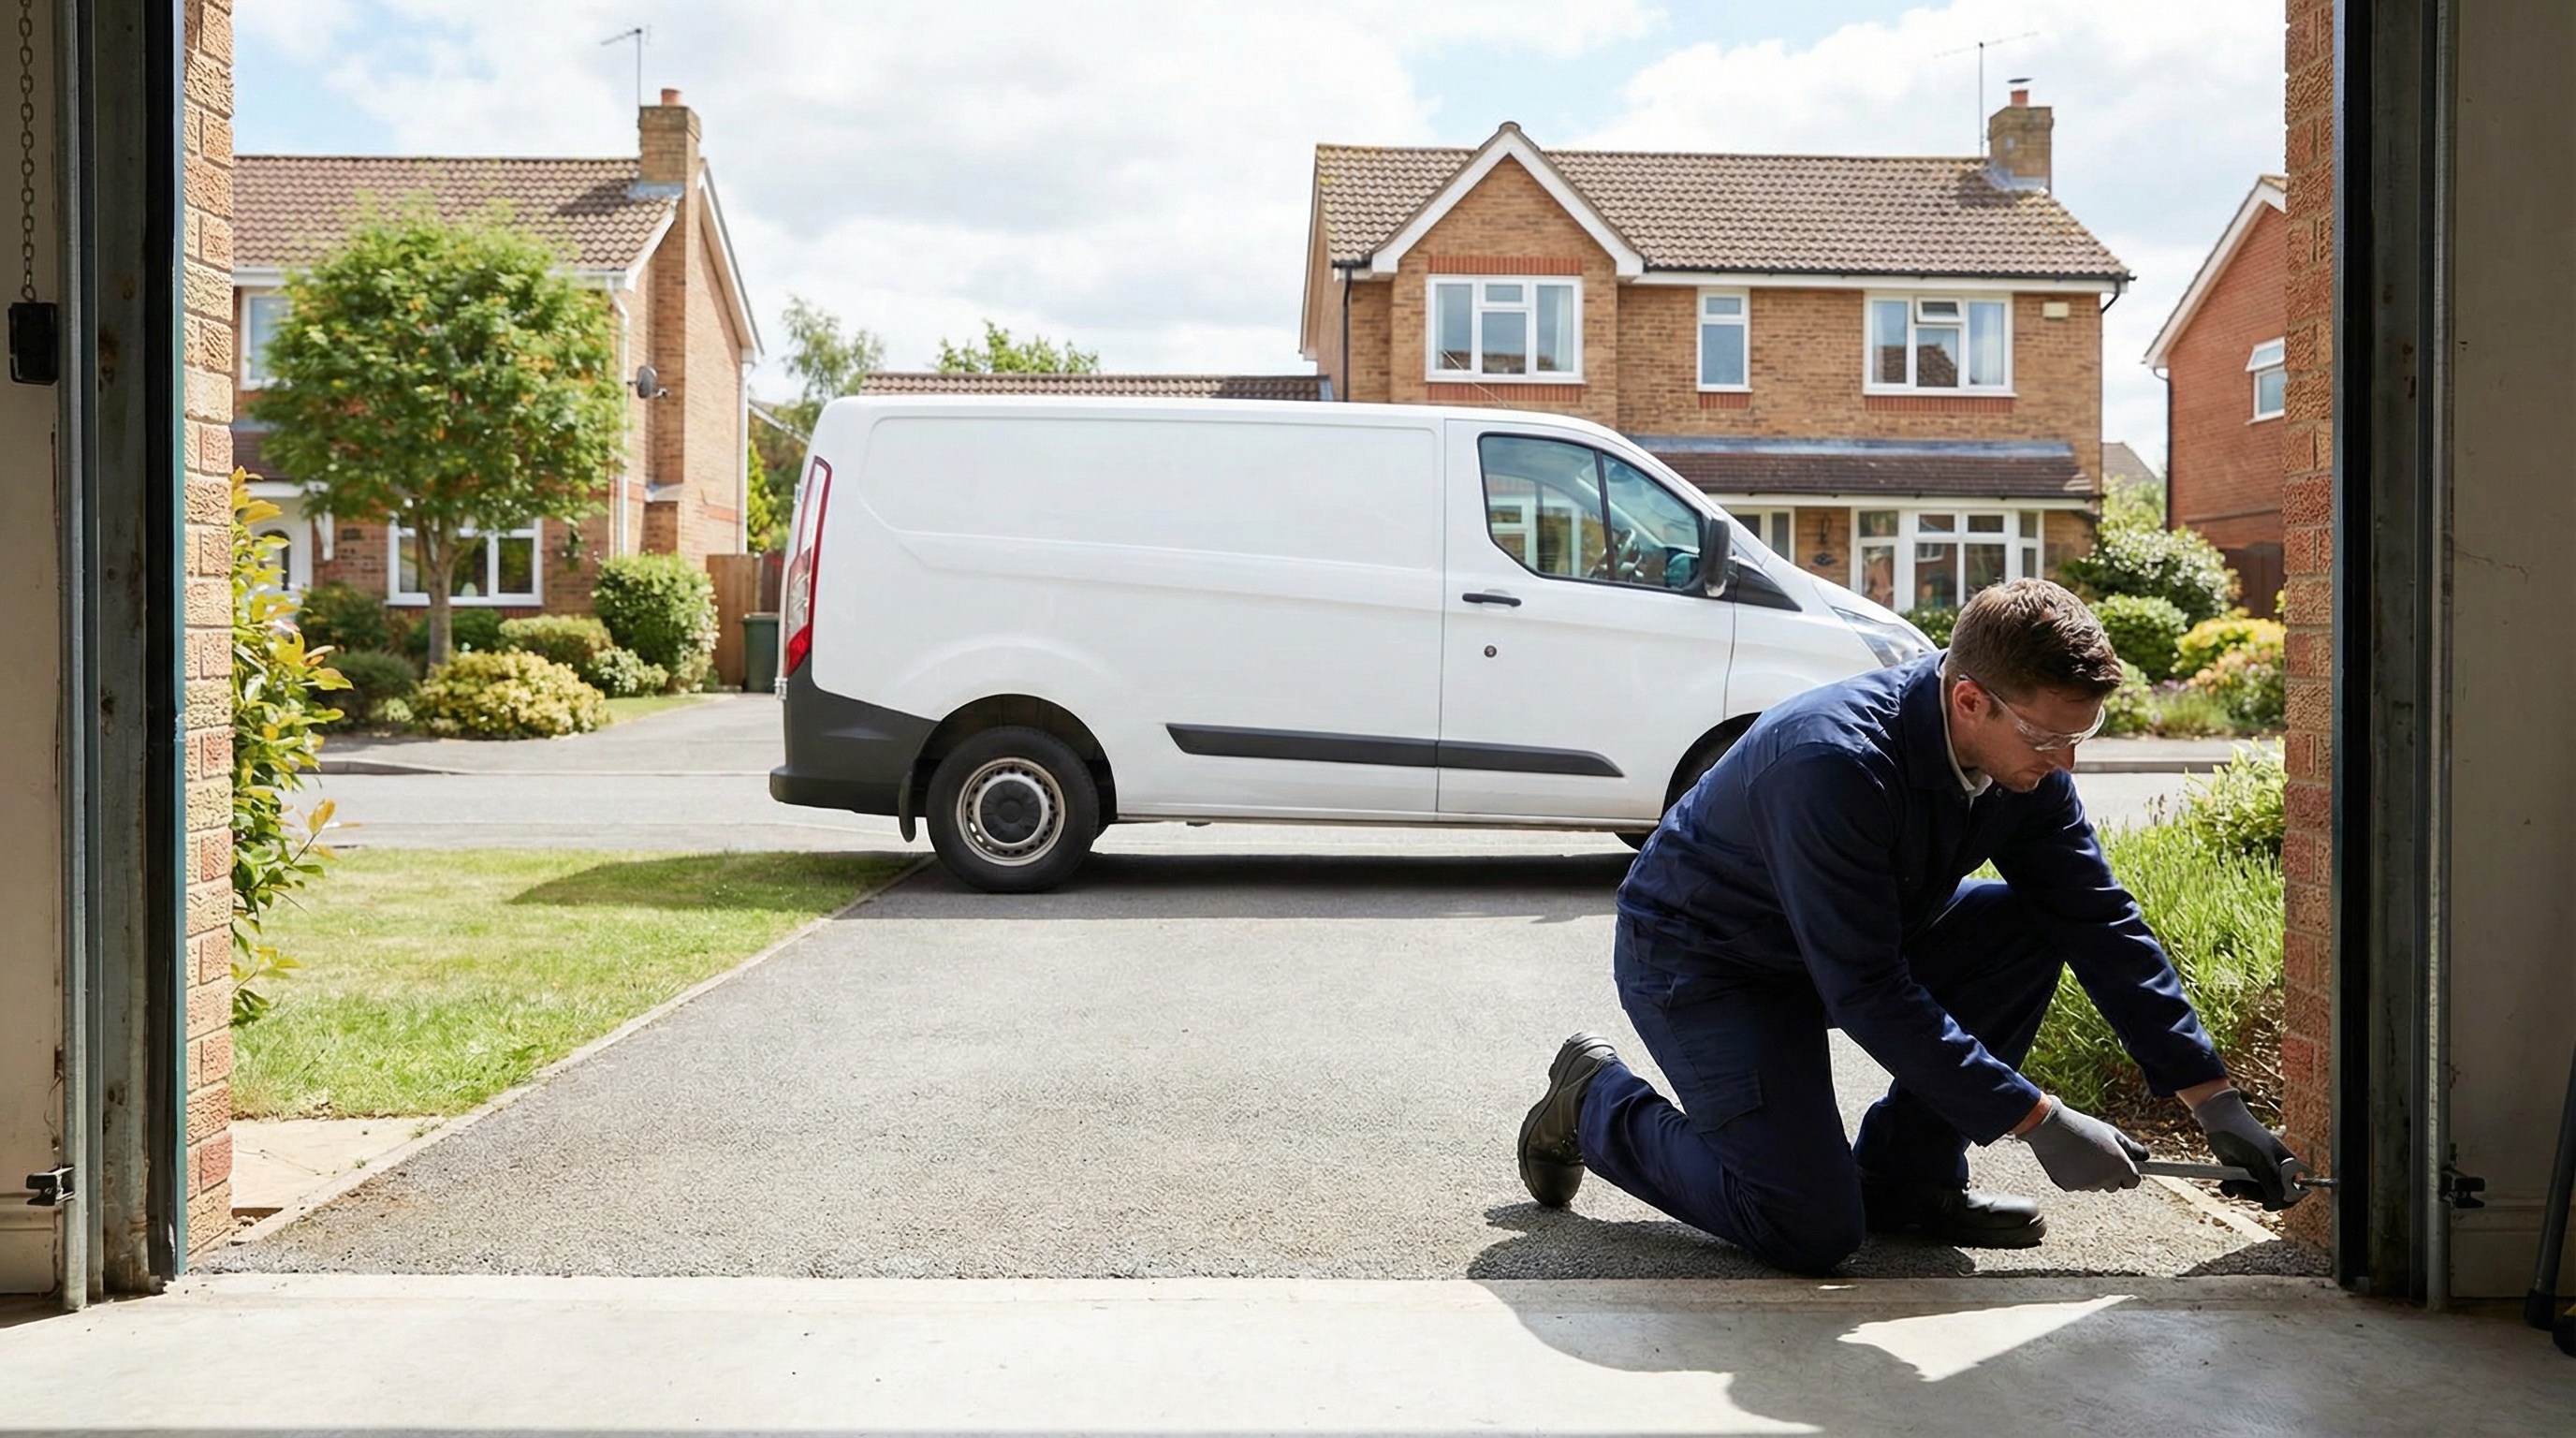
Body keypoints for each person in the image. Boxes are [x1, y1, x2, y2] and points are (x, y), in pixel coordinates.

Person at [1515, 579, 2306, 1273]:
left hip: (1852, 943)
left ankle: (1905, 1180)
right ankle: (1593, 1102)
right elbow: (1867, 990)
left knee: (2032, 924)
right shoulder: (1833, 765)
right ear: (1970, 701)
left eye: (2080, 735)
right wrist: (2037, 1118)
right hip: (1710, 965)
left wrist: (2214, 1101)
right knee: (1806, 1229)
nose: (2064, 762)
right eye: (2046, 737)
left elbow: (2096, 917)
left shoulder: (2021, 769)